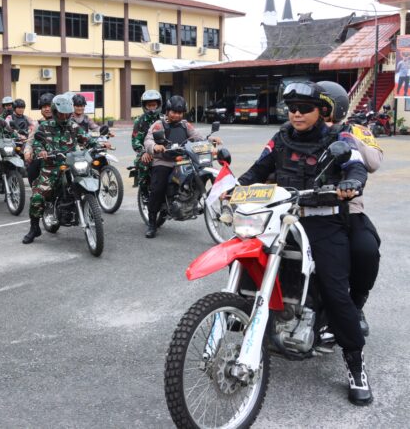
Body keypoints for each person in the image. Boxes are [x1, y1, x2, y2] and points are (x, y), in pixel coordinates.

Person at [237, 81, 372, 406]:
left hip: (323, 221)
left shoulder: (339, 138)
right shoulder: (280, 138)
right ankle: (240, 319)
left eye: (304, 108)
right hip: (280, 217)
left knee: (336, 291)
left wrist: (352, 181)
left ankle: (355, 363)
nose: (295, 114)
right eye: (292, 108)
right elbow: (258, 169)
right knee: (244, 262)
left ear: (322, 112)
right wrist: (234, 186)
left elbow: (356, 165)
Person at [319, 81, 381, 338]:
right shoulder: (298, 129)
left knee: (365, 249)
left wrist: (349, 136)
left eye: (322, 107)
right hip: (302, 206)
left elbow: (374, 162)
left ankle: (356, 304)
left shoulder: (356, 131)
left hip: (347, 208)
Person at [23, 94, 100, 244]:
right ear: (55, 112)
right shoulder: (45, 126)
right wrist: (41, 151)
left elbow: (86, 138)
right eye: (61, 113)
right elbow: (37, 143)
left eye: (67, 113)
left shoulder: (73, 126)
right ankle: (34, 228)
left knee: (93, 177)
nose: (64, 116)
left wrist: (97, 145)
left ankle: (94, 213)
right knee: (38, 196)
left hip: (72, 163)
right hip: (51, 166)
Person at [142, 95, 221, 238]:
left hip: (183, 159)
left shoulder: (185, 125)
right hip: (164, 160)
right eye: (174, 112)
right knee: (157, 188)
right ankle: (152, 222)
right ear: (168, 111)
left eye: (180, 113)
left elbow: (197, 137)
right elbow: (148, 140)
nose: (177, 115)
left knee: (201, 170)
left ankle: (193, 198)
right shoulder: (159, 125)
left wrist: (209, 139)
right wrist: (155, 146)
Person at [131, 90, 163, 188]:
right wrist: (143, 152)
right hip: (146, 152)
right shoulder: (139, 121)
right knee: (144, 163)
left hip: (163, 150)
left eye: (154, 105)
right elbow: (135, 141)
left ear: (159, 105)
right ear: (145, 106)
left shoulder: (164, 119)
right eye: (149, 105)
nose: (152, 108)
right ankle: (143, 190)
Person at [24, 93, 54, 186]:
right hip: (44, 156)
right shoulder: (38, 124)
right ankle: (35, 190)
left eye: (49, 106)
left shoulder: (63, 121)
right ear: (41, 109)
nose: (47, 109)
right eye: (44, 107)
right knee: (33, 166)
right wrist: (27, 152)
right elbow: (30, 141)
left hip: (63, 155)